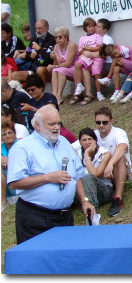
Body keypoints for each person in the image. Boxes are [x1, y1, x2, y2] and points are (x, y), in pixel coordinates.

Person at [7, 105, 95, 244]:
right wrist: (48, 178)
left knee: (64, 259)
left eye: (58, 123)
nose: (56, 127)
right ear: (37, 125)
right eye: (51, 124)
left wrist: (84, 200)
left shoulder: (65, 143)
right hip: (35, 218)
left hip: (64, 216)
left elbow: (77, 175)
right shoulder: (23, 148)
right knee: (37, 260)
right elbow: (14, 182)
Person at [93, 107, 132, 217]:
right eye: (98, 122)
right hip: (100, 173)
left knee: (120, 157)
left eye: (105, 122)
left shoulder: (119, 132)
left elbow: (123, 147)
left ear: (111, 121)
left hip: (116, 171)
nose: (101, 125)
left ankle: (118, 198)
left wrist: (110, 163)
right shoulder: (93, 135)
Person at [72, 127, 113, 208]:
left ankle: (91, 209)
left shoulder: (104, 153)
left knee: (88, 177)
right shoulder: (77, 154)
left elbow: (95, 174)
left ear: (95, 140)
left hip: (102, 191)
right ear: (80, 142)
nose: (87, 142)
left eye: (90, 139)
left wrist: (87, 155)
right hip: (83, 193)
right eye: (84, 140)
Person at [71, 17, 103, 106]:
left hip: (94, 58)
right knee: (78, 65)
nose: (92, 28)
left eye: (93, 26)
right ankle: (79, 85)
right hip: (85, 58)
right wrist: (82, 51)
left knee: (86, 68)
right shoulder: (82, 38)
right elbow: (80, 50)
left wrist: (88, 48)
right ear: (85, 28)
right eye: (89, 26)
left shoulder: (97, 36)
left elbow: (100, 48)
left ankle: (91, 93)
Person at [11, 19, 55, 83]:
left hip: (46, 67)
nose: (38, 31)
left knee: (40, 70)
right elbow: (27, 53)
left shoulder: (52, 40)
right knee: (14, 75)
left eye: (40, 28)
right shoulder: (34, 38)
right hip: (33, 67)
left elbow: (48, 58)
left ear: (47, 28)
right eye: (36, 28)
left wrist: (39, 49)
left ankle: (41, 91)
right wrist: (30, 56)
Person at [48, 26, 79, 105]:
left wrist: (54, 66)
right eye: (56, 37)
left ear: (66, 37)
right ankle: (54, 95)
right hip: (64, 69)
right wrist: (54, 58)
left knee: (59, 70)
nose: (57, 39)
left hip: (76, 69)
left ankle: (59, 96)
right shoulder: (56, 46)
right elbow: (58, 64)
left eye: (60, 37)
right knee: (55, 70)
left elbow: (68, 63)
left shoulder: (72, 45)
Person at [1, 119, 18, 212]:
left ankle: (2, 202)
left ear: (14, 133)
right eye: (4, 134)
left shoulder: (21, 145)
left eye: (10, 133)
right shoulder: (1, 148)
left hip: (19, 187)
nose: (7, 136)